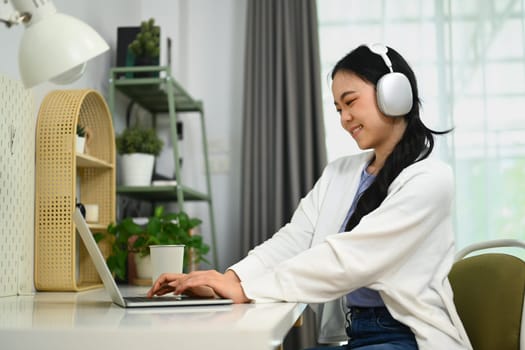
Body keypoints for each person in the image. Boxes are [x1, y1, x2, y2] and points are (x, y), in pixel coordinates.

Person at [147, 44, 472, 349]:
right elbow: (292, 240)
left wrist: (246, 290)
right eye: (338, 108)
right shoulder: (340, 173)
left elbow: (349, 259)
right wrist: (227, 280)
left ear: (394, 94)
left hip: (406, 337)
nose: (344, 118)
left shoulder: (430, 179)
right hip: (355, 333)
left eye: (350, 101)